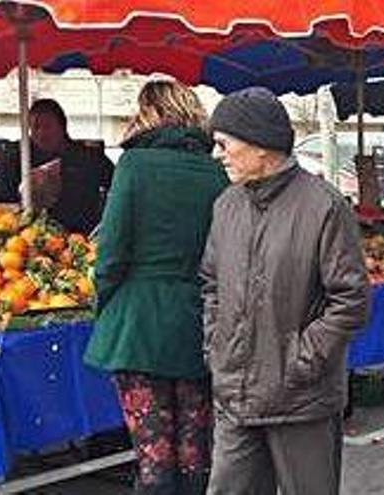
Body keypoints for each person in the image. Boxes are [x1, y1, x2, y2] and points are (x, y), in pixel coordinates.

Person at [201, 87, 370, 495]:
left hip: (300, 399)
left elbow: (350, 301)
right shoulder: (226, 205)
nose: (217, 154)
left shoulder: (324, 207)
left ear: (261, 146)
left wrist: (300, 360)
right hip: (236, 394)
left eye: (224, 144)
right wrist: (217, 347)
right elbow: (211, 284)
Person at [83, 80, 229, 494]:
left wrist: (107, 308)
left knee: (153, 456)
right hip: (197, 324)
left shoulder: (135, 165)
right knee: (195, 450)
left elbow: (110, 254)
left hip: (138, 326)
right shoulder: (217, 172)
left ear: (148, 113)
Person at [14, 99, 115, 233]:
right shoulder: (23, 159)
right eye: (35, 127)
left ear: (62, 126)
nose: (41, 133)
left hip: (82, 237)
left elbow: (118, 186)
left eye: (47, 126)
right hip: (31, 238)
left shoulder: (89, 157)